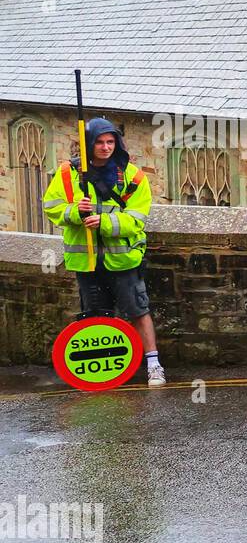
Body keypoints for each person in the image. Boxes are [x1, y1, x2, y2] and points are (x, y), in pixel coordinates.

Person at [42, 117, 165, 386]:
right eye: (99, 142)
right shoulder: (67, 174)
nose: (106, 147)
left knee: (137, 310)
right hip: (85, 260)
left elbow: (137, 217)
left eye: (110, 142)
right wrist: (75, 212)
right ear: (88, 144)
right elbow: (51, 206)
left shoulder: (133, 176)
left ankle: (154, 364)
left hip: (123, 258)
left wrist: (106, 222)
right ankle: (105, 369)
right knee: (97, 316)